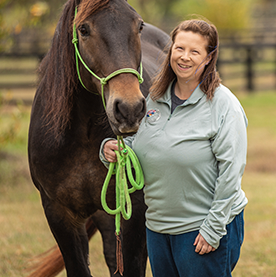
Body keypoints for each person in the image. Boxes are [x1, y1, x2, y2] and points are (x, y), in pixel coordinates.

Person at [101, 19, 248, 276]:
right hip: (157, 230)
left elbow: (231, 173)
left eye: (195, 51)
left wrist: (212, 229)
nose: (185, 57)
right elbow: (141, 146)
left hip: (200, 229)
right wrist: (112, 150)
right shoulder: (156, 98)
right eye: (179, 48)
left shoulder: (224, 105)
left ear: (209, 58)